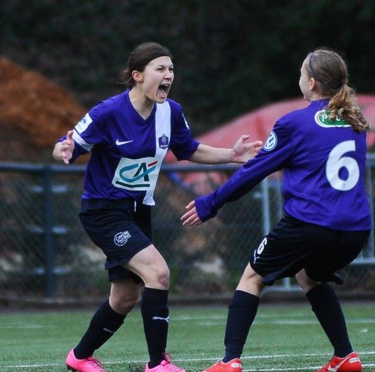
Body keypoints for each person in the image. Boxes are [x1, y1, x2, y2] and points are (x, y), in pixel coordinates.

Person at [53, 41, 263, 372]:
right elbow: (67, 145)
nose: (168, 76)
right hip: (103, 211)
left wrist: (232, 155)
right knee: (158, 272)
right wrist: (63, 150)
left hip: (138, 211)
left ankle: (79, 357)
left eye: (171, 70)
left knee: (124, 298)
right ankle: (158, 364)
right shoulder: (108, 112)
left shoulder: (170, 112)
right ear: (137, 75)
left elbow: (189, 149)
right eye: (160, 69)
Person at [181, 47, 371, 372]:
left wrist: (210, 203)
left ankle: (229, 361)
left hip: (311, 223)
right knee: (309, 276)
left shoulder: (294, 123)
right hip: (355, 229)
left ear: (311, 83)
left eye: (300, 74)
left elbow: (252, 172)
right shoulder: (354, 123)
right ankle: (345, 356)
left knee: (252, 276)